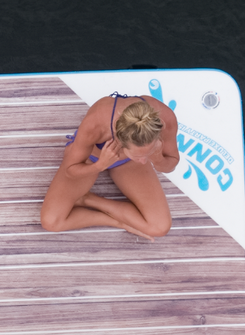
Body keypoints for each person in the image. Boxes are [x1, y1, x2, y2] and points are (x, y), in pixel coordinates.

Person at [41, 93, 179, 239]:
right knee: (51, 222)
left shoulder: (165, 119)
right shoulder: (96, 123)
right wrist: (100, 165)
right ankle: (116, 221)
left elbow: (170, 165)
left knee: (159, 227)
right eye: (139, 156)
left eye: (148, 153)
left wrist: (157, 158)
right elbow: (71, 171)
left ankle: (88, 199)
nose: (145, 162)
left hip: (128, 163)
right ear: (119, 141)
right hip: (93, 158)